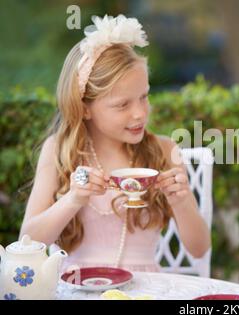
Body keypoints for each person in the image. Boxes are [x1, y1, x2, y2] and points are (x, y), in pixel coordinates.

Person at [20, 15, 210, 272]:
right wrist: (73, 199)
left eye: (144, 97)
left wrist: (182, 201)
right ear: (85, 108)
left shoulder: (164, 150)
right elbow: (28, 240)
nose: (140, 113)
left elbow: (199, 248)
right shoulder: (60, 150)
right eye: (123, 105)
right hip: (74, 288)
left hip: (146, 290)